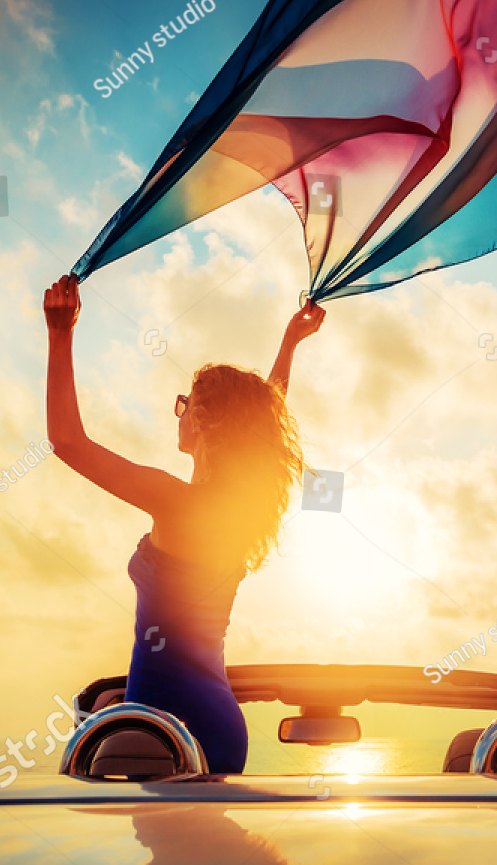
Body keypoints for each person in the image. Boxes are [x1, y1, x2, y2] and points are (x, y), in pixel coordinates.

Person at [43, 274, 324, 773]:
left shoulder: (175, 503)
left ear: (205, 423)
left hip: (163, 734)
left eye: (186, 404)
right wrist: (290, 343)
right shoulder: (240, 511)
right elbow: (266, 411)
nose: (179, 412)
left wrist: (60, 333)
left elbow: (68, 442)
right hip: (214, 725)